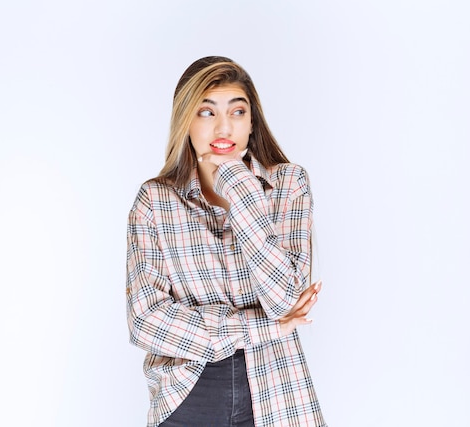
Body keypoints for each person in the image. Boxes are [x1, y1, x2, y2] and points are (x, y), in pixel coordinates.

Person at [126, 56, 326, 427]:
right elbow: (146, 322)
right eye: (206, 112)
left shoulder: (288, 184)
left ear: (252, 123)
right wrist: (266, 327)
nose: (223, 127)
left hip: (275, 390)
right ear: (185, 121)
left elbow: (284, 297)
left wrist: (235, 181)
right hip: (188, 394)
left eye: (237, 112)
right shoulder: (155, 201)